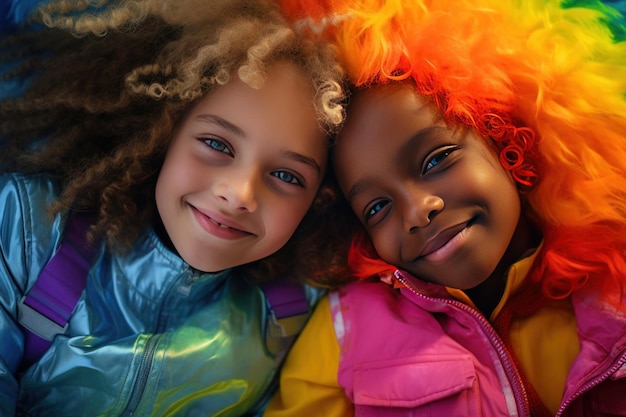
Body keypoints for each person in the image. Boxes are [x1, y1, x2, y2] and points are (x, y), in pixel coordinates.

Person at [265, 0, 626, 416]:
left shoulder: (612, 285)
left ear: (507, 138)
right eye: (377, 206)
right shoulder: (341, 334)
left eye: (436, 160)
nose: (418, 211)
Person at [0, 0, 348, 415]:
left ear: (318, 201)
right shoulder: (28, 227)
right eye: (217, 145)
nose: (239, 194)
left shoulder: (298, 314)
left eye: (288, 177)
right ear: (161, 134)